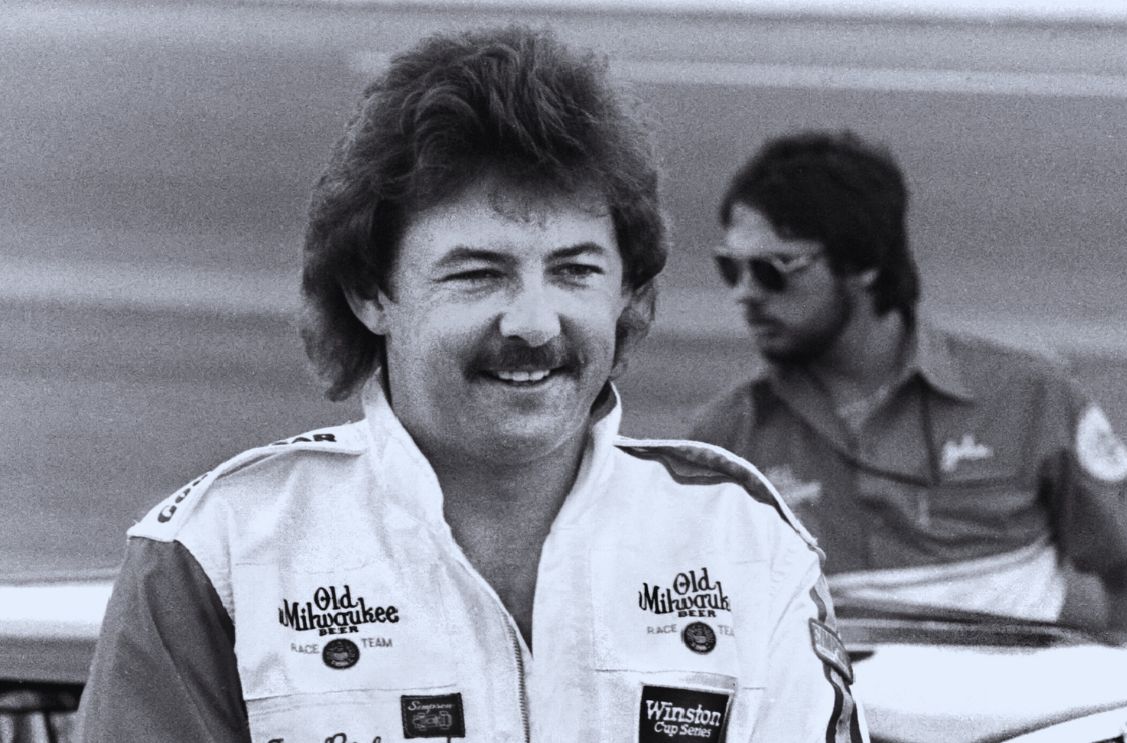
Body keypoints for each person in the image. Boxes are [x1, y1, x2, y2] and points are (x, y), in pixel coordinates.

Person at [77, 28, 867, 742]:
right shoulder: (213, 553)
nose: (534, 321)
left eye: (574, 271)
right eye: (478, 273)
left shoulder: (742, 540)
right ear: (370, 293)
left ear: (629, 294)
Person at [688, 130, 1127, 631]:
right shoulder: (724, 439)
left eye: (771, 270)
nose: (744, 294)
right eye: (730, 268)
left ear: (865, 263)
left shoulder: (1030, 397)